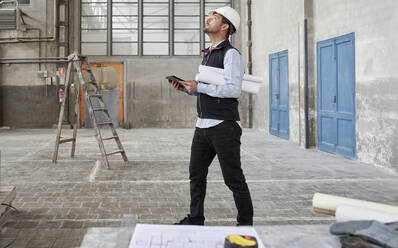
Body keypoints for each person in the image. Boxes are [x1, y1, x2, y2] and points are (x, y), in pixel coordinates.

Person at [169, 6, 253, 226]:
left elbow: (233, 90)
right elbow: (207, 89)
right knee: (196, 175)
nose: (208, 19)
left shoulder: (231, 54)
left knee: (233, 179)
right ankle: (196, 218)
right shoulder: (208, 54)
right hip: (203, 126)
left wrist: (200, 87)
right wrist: (187, 89)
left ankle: (245, 224)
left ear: (225, 26)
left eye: (214, 18)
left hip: (224, 127)